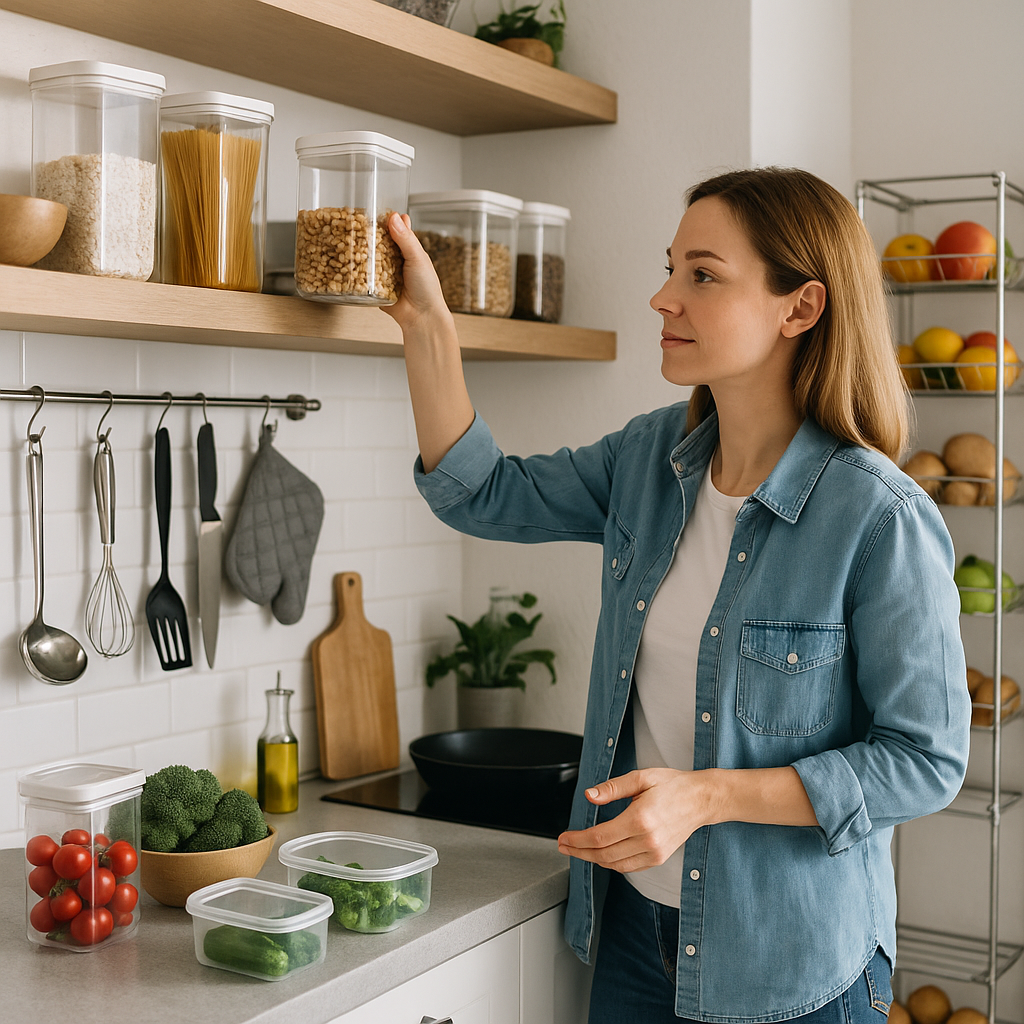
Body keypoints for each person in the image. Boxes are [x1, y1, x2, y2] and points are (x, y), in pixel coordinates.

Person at [383, 166, 970, 1024]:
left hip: (793, 966)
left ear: (799, 309)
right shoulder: (651, 461)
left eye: (702, 275)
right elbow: (483, 493)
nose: (663, 298)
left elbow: (926, 761)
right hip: (632, 936)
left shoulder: (878, 517)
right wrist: (428, 326)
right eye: (670, 268)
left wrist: (709, 795)